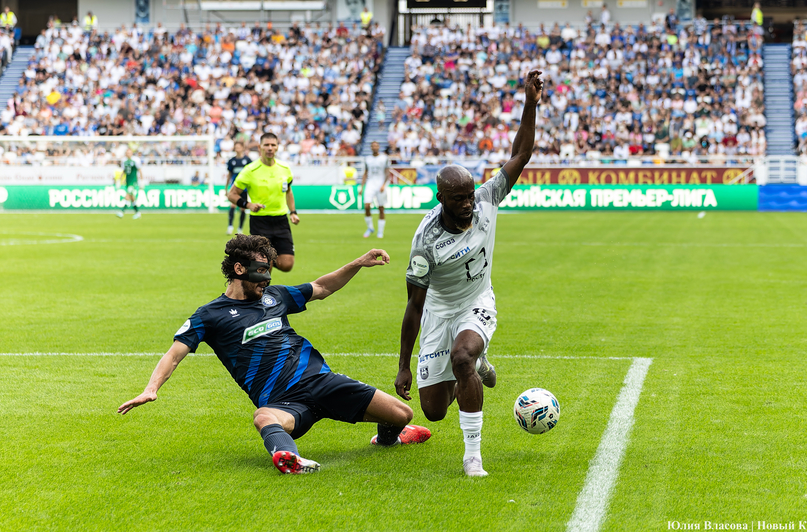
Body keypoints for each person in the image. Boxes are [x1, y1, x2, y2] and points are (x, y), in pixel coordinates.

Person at [118, 235, 432, 475]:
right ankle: (288, 458)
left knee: (402, 414)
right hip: (285, 403)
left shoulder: (275, 295)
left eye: (269, 271)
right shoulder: (209, 316)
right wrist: (151, 389)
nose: (267, 278)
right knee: (263, 416)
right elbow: (174, 354)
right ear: (239, 269)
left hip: (321, 381)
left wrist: (357, 263)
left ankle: (389, 438)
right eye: (260, 271)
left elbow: (322, 287)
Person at [393, 70, 544, 477]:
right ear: (441, 197)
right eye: (458, 199)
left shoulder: (486, 198)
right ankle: (476, 367)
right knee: (434, 410)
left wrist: (529, 103)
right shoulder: (426, 241)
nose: (467, 205)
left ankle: (472, 455)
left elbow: (521, 154)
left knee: (462, 356)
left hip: (477, 301)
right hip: (439, 312)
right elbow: (414, 306)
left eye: (469, 195)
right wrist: (404, 363)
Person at [227, 133, 300, 272]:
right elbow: (232, 194)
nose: (270, 148)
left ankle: (265, 261)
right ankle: (263, 288)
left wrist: (293, 212)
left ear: (278, 147)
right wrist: (248, 205)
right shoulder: (250, 170)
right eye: (266, 145)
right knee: (266, 267)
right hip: (259, 221)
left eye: (273, 145)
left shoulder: (285, 169)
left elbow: (288, 191)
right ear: (260, 147)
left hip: (281, 221)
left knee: (287, 265)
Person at [362, 140, 390, 239]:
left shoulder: (384, 158)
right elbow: (365, 173)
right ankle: (370, 228)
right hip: (370, 184)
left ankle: (380, 232)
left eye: (376, 146)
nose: (374, 147)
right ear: (371, 147)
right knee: (366, 206)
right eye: (373, 146)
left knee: (381, 208)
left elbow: (387, 172)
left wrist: (384, 184)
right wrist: (362, 186)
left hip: (380, 184)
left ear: (378, 147)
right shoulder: (368, 159)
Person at [226, 141, 251, 235]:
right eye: (235, 147)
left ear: (242, 148)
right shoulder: (232, 161)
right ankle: (230, 226)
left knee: (242, 208)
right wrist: (226, 188)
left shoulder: (247, 160)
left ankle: (240, 228)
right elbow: (229, 175)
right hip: (234, 188)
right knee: (232, 206)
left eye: (239, 147)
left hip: (244, 188)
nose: (237, 149)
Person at [116, 147, 141, 219]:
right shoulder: (124, 161)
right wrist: (119, 180)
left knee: (127, 196)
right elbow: (123, 171)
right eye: (127, 153)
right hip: (128, 181)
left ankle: (122, 211)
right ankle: (137, 212)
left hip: (133, 181)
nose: (128, 154)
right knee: (132, 197)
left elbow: (140, 170)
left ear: (132, 153)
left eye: (129, 153)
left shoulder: (136, 160)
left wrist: (141, 181)